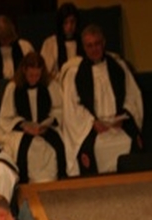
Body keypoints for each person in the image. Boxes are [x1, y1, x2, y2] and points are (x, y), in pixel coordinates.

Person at [61, 24, 143, 177]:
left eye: (97, 44)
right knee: (93, 149)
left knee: (129, 142)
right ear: (84, 47)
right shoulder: (75, 73)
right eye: (89, 45)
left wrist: (123, 116)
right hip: (93, 128)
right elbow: (72, 108)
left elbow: (133, 97)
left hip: (118, 125)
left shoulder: (119, 67)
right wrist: (92, 123)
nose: (94, 49)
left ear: (103, 43)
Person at [0, 51, 66, 183]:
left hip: (46, 128)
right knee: (25, 150)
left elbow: (59, 109)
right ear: (24, 71)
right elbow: (5, 117)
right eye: (31, 75)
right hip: (22, 131)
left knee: (58, 147)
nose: (34, 79)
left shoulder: (50, 85)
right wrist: (24, 125)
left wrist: (47, 123)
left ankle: (57, 181)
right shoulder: (13, 87)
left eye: (37, 75)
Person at [40, 2, 83, 81]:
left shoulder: (83, 41)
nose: (69, 26)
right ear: (60, 24)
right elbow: (45, 71)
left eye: (72, 22)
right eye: (66, 23)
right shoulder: (51, 43)